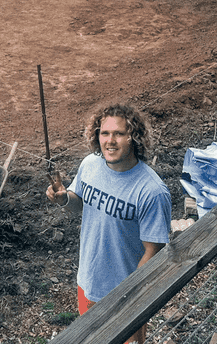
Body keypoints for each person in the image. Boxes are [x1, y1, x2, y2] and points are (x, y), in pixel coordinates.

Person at [46, 103, 172, 344]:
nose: (110, 141)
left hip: (124, 297)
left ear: (134, 137)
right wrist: (64, 199)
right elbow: (80, 203)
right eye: (104, 133)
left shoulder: (152, 191)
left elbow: (154, 252)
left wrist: (130, 297)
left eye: (119, 134)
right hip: (88, 282)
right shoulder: (90, 165)